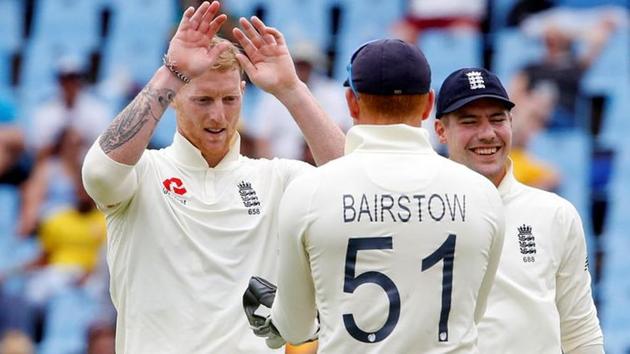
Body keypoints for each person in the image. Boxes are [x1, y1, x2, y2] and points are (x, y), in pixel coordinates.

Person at [81, 1, 344, 353]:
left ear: (243, 95)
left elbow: (353, 189)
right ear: (173, 99)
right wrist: (172, 73)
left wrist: (291, 90)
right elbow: (98, 173)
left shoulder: (276, 179)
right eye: (203, 100)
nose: (218, 116)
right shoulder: (143, 173)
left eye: (229, 99)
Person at [248, 39, 505, 353]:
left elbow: (296, 328)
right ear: (428, 105)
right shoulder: (481, 194)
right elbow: (471, 314)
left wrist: (275, 314)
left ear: (351, 103)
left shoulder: (308, 192)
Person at [433, 67, 603, 353]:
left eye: (497, 119)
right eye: (469, 122)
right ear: (440, 131)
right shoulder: (418, 212)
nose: (487, 134)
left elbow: (580, 331)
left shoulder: (556, 214)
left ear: (511, 123)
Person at [251, 40, 351, 160]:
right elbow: (262, 137)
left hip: (322, 166)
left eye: (306, 64)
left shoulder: (332, 92)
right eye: (299, 64)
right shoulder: (271, 94)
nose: (302, 69)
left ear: (314, 65)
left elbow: (341, 128)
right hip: (282, 165)